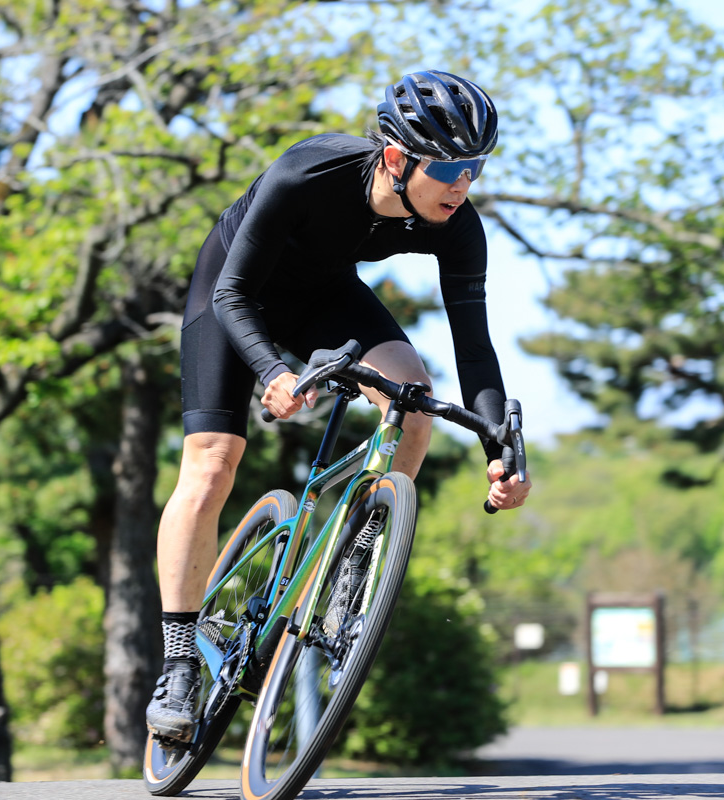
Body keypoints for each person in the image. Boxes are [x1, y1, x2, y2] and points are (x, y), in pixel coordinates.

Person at [145, 70, 533, 743]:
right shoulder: (307, 174)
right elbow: (232, 296)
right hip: (236, 292)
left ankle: (359, 555)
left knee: (413, 398)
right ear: (394, 158)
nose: (464, 185)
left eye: (475, 168)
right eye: (450, 169)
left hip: (323, 295)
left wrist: (499, 454)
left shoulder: (458, 226)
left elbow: (475, 352)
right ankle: (178, 663)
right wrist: (272, 372)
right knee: (212, 464)